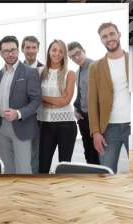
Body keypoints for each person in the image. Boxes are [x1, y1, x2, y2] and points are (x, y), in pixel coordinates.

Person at [0, 35, 41, 174]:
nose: (10, 53)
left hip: (21, 126)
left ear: (18, 51)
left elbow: (36, 101)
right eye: (6, 51)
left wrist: (18, 113)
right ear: (1, 53)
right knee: (8, 168)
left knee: (23, 169)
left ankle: (24, 195)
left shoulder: (30, 72)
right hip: (1, 127)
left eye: (13, 50)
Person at [88, 22, 130, 174]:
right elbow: (92, 102)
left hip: (132, 127)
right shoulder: (95, 67)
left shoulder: (132, 58)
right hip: (108, 129)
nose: (109, 38)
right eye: (104, 36)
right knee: (106, 174)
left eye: (112, 34)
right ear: (101, 40)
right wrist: (95, 132)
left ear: (119, 34)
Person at [37, 39, 77, 174]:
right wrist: (55, 101)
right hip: (45, 124)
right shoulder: (39, 72)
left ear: (64, 54)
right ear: (49, 52)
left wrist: (42, 98)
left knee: (63, 168)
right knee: (42, 166)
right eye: (54, 50)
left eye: (61, 51)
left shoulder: (70, 74)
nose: (57, 53)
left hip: (66, 125)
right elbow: (33, 98)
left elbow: (65, 101)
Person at [67, 41, 100, 165]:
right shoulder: (77, 72)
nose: (76, 58)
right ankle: (91, 180)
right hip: (83, 118)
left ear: (84, 51)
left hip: (96, 119)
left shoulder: (97, 67)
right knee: (88, 153)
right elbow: (80, 95)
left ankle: (103, 181)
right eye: (72, 57)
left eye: (78, 53)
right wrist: (76, 110)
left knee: (98, 153)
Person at [21, 35, 43, 174]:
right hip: (22, 119)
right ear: (22, 49)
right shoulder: (16, 69)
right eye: (27, 47)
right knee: (22, 155)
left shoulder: (45, 70)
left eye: (34, 47)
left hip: (41, 119)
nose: (31, 50)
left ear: (38, 49)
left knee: (37, 154)